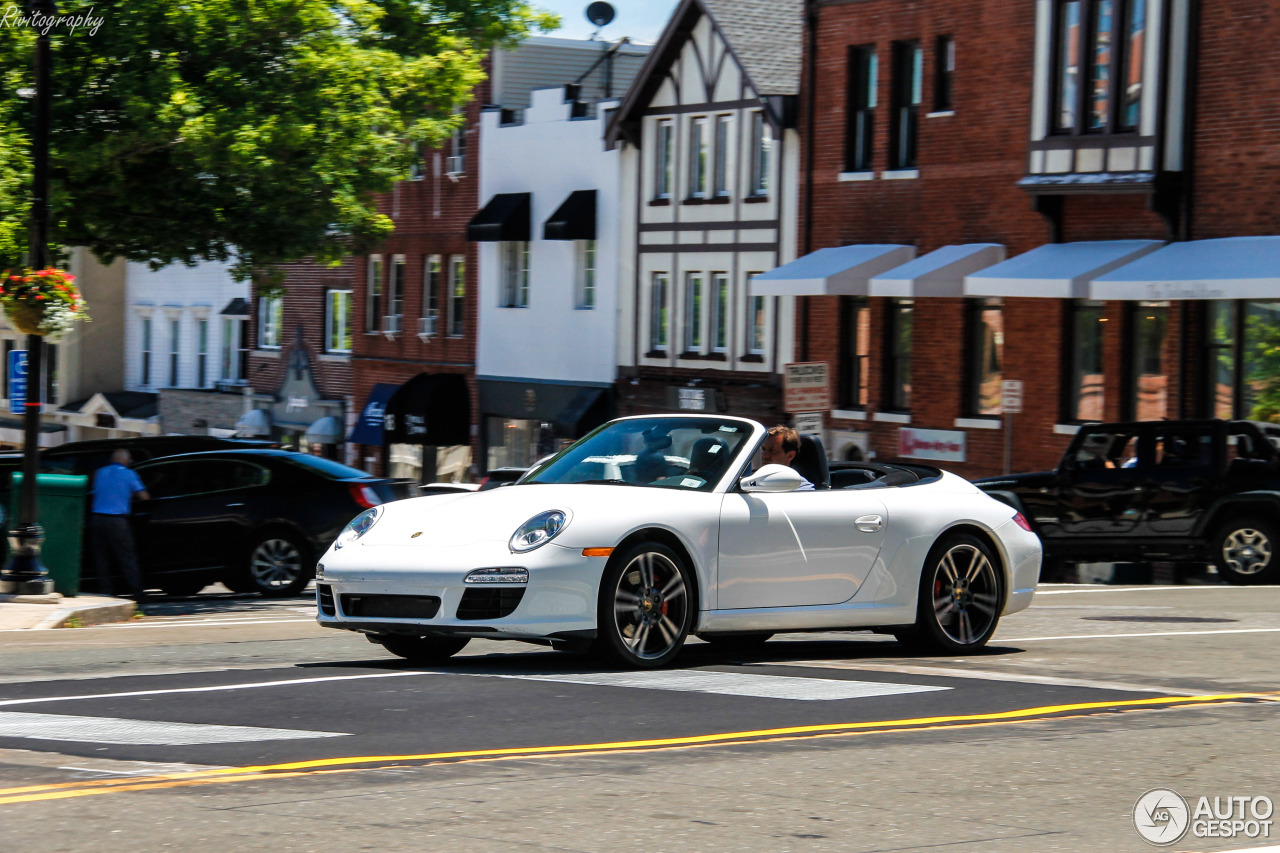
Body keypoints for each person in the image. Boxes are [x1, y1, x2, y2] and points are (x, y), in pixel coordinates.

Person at [90, 449, 150, 602]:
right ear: (125, 460)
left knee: (101, 558)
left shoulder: (99, 473)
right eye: (129, 459)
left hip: (97, 519)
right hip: (117, 521)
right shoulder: (129, 474)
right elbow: (144, 496)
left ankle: (106, 591)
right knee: (126, 557)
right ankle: (137, 592)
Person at [760, 425, 815, 491]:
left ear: (790, 456)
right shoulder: (755, 482)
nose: (765, 456)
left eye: (772, 450)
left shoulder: (802, 489)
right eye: (763, 449)